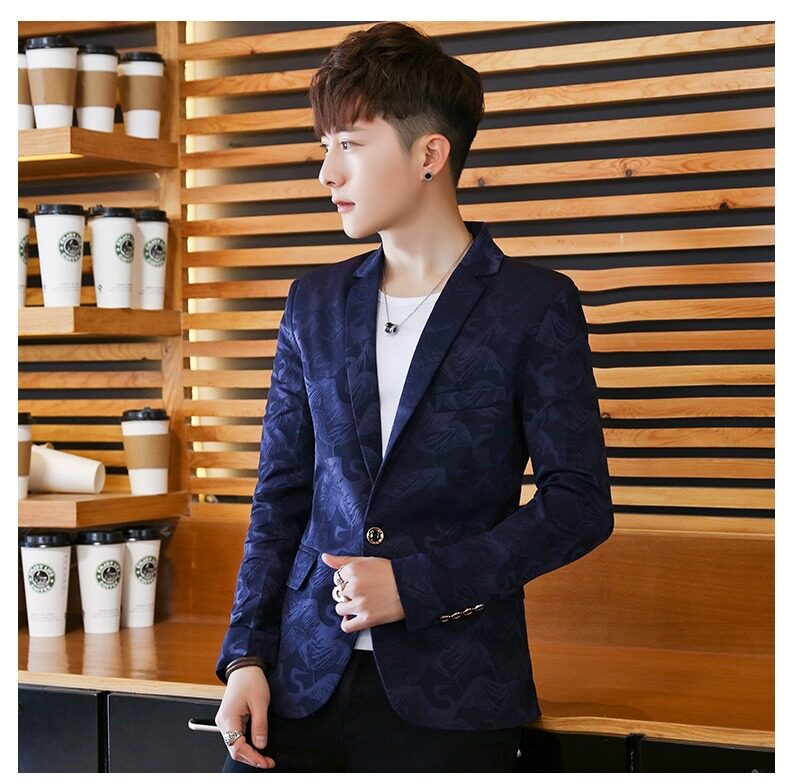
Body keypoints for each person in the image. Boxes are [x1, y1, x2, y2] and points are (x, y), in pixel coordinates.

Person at [214, 21, 614, 773]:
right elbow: (280, 496)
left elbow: (579, 504)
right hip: (297, 685)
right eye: (324, 145)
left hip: (457, 692)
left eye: (349, 144)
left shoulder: (533, 305)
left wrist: (417, 584)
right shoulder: (312, 303)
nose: (326, 172)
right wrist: (245, 657)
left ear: (430, 154)